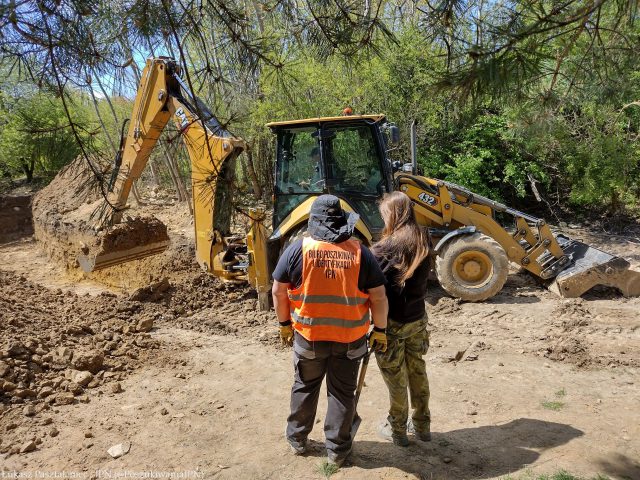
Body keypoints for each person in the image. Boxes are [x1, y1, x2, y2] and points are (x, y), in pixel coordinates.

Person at [272, 194, 389, 467]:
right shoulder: (361, 253)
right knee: (342, 393)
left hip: (309, 338)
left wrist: (284, 324)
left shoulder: (297, 249)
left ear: (314, 222)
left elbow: (279, 291)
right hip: (350, 341)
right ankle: (337, 450)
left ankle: (297, 440)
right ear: (341, 222)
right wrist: (380, 329)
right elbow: (379, 297)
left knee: (304, 386)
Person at [371, 191, 432, 447]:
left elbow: (374, 293)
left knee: (396, 378)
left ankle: (397, 430)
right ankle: (422, 427)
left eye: (385, 214)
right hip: (417, 318)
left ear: (393, 215)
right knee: (417, 371)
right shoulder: (424, 239)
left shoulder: (382, 250)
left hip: (391, 324)